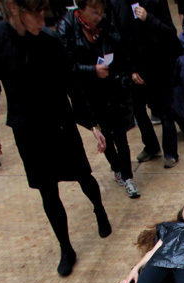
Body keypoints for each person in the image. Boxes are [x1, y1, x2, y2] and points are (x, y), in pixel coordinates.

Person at [0, 0, 112, 277]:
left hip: (60, 122)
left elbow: (71, 83)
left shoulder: (50, 40)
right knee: (47, 189)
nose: (42, 20)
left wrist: (91, 124)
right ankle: (66, 247)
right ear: (15, 9)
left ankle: (99, 209)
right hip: (27, 128)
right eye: (35, 14)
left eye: (43, 13)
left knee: (83, 175)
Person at [56, 0, 140, 198]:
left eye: (101, 12)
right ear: (81, 10)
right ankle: (117, 169)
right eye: (94, 12)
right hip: (89, 93)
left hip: (112, 87)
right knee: (106, 137)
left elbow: (120, 47)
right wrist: (91, 70)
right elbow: (66, 67)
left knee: (121, 135)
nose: (98, 17)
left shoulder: (106, 23)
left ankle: (128, 177)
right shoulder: (66, 26)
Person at [111, 0, 180, 168]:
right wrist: (131, 70)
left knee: (164, 110)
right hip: (135, 69)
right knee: (139, 110)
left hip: (159, 66)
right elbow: (119, 40)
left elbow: (170, 33)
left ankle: (171, 152)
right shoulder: (118, 5)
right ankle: (151, 146)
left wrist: (149, 19)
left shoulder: (156, 2)